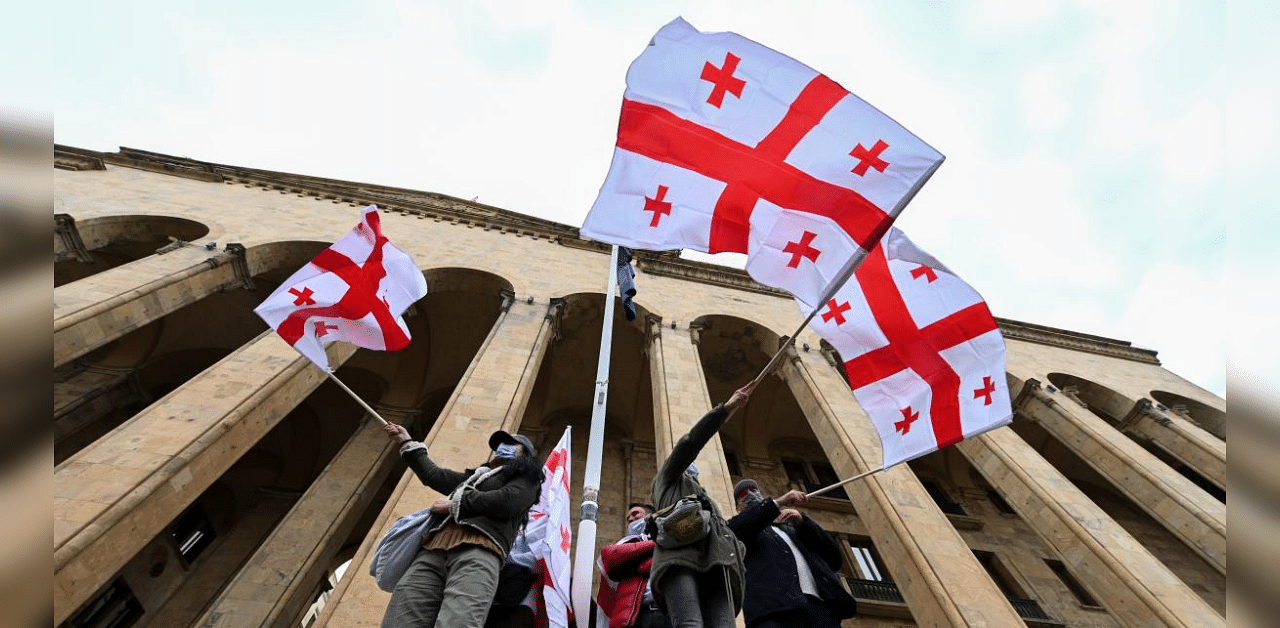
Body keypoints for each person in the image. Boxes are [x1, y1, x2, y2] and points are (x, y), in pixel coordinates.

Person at [381, 423, 544, 628]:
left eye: (512, 443)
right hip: (432, 550)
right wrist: (406, 442)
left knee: (458, 621)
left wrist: (456, 504)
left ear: (525, 454)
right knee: (402, 619)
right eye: (501, 443)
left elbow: (508, 501)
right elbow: (434, 476)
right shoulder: (474, 479)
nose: (503, 446)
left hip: (480, 552)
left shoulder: (528, 479)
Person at [650, 383, 754, 628]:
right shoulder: (668, 479)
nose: (692, 468)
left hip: (718, 565)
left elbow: (726, 532)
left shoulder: (704, 496)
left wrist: (737, 551)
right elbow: (689, 443)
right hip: (680, 559)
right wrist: (724, 410)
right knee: (690, 624)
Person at [726, 480, 856, 628]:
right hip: (774, 614)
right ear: (738, 508)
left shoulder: (792, 529)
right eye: (743, 494)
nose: (750, 494)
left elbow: (834, 559)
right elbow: (740, 527)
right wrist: (779, 502)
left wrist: (803, 522)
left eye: (753, 490)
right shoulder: (736, 529)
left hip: (820, 611)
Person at [597, 503, 671, 628]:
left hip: (667, 613)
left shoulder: (668, 535)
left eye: (635, 513)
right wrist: (659, 545)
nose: (630, 518)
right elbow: (610, 557)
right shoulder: (626, 543)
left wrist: (634, 567)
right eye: (628, 518)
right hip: (636, 617)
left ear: (650, 515)